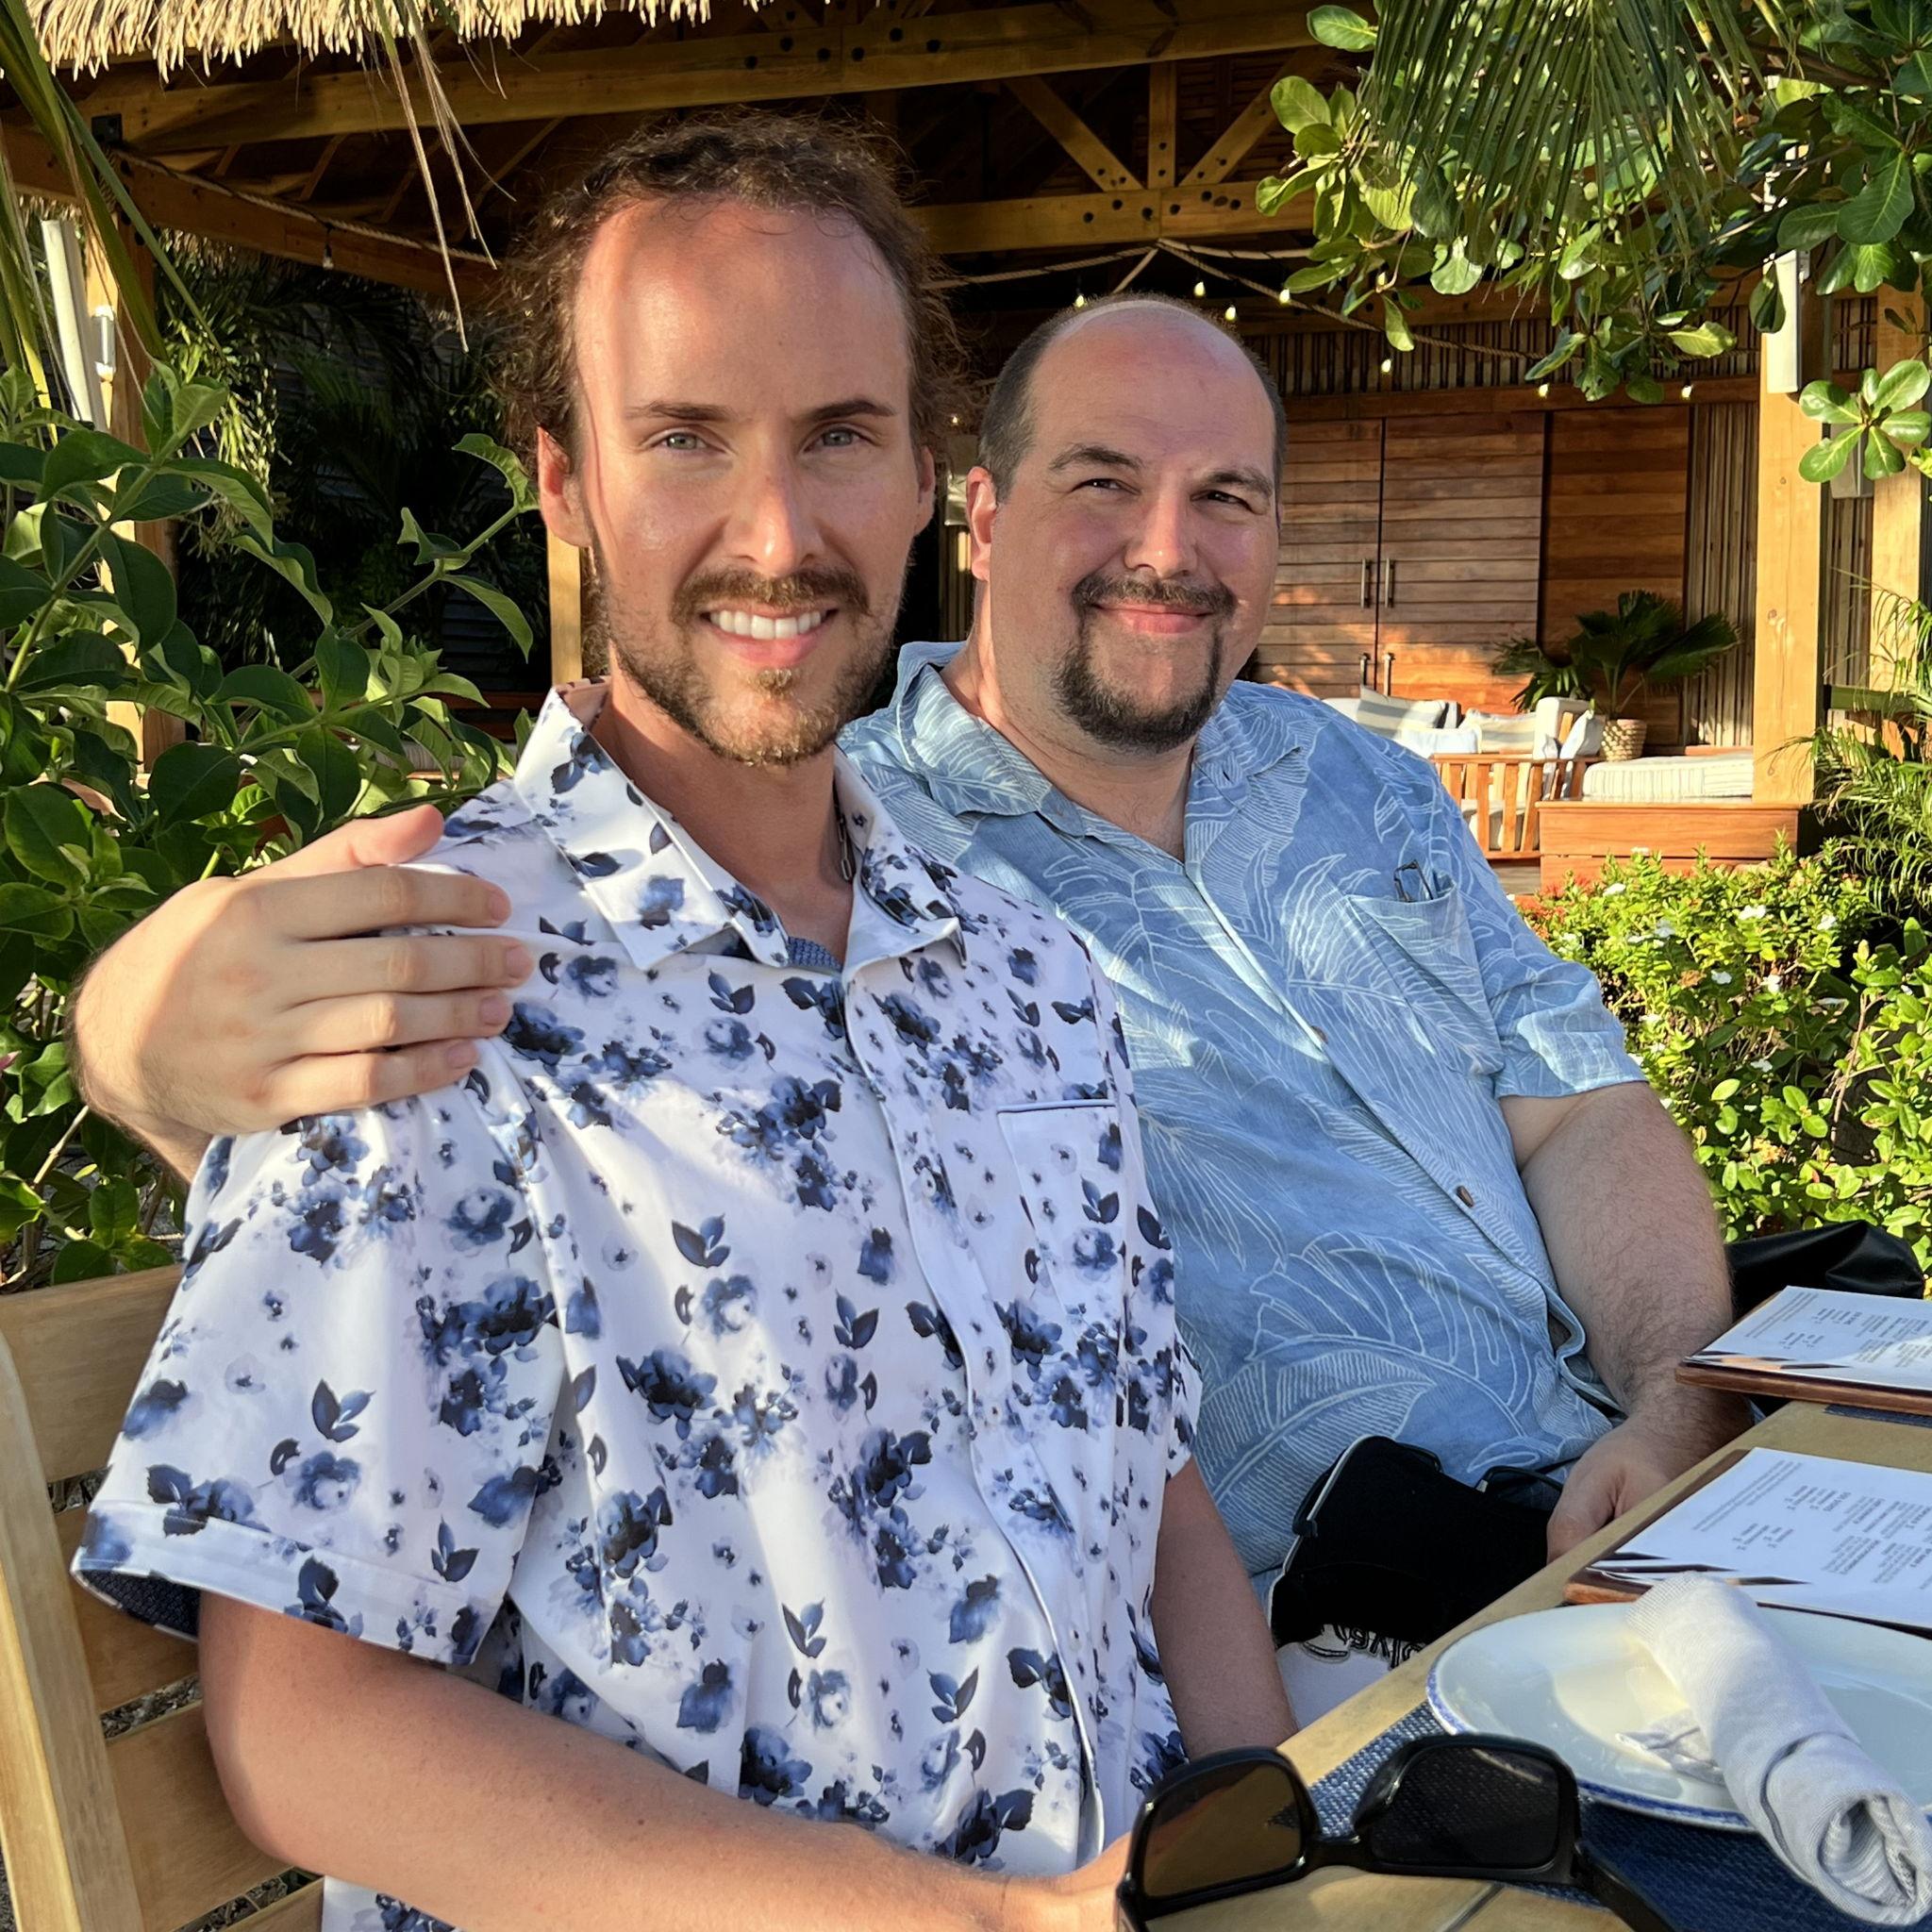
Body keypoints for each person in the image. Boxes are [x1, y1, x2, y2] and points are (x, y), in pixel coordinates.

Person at [74, 262, 1746, 1721]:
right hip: (1355, 1610)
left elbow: (1578, 1102)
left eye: (1225, 496)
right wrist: (130, 1034)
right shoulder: (845, 852)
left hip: (1620, 1507)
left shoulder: (1356, 784)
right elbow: (572, 1072)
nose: (1168, 551)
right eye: (1103, 482)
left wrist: (1678, 1403)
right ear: (984, 512)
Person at [71, 118, 1293, 1932]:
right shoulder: (428, 982)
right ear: (564, 485)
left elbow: (1151, 1470)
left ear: (922, 478)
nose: (778, 536)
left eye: (839, 438)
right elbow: (310, 1734)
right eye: (685, 439)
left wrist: (1278, 1845)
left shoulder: (1025, 971)